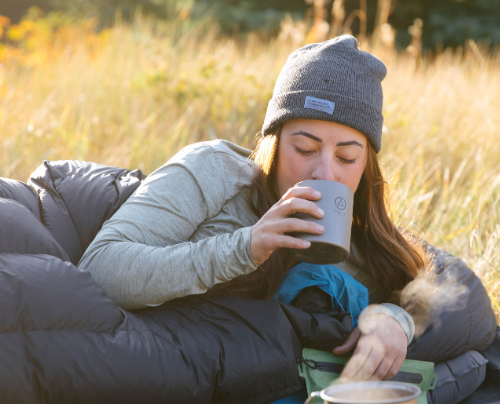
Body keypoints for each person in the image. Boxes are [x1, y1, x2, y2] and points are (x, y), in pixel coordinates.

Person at [78, 35, 441, 382]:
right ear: (275, 143)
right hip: (157, 369)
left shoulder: (360, 241)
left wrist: (395, 321)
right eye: (304, 149)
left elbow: (415, 290)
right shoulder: (214, 171)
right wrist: (246, 247)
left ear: (366, 165)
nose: (325, 173)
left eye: (347, 156)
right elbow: (99, 270)